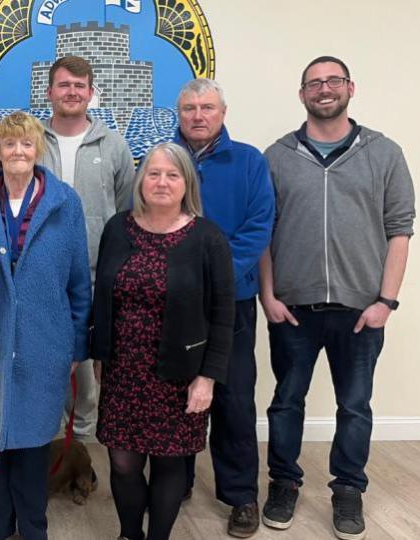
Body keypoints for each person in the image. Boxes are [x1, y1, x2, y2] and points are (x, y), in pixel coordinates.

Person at [259, 56, 415, 540]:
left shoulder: (383, 153)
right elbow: (263, 232)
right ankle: (283, 483)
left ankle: (348, 491)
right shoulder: (277, 156)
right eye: (314, 83)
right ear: (302, 94)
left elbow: (400, 231)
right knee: (286, 403)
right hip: (293, 308)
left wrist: (385, 302)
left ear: (350, 88)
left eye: (333, 81)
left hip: (360, 312)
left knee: (355, 406)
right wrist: (268, 296)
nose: (324, 89)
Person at [0, 111, 91, 540]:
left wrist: (76, 347)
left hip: (45, 345)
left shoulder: (65, 202)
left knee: (31, 449)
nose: (18, 152)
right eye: (9, 145)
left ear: (37, 148)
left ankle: (33, 529)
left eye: (26, 144)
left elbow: (80, 282)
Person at [92, 142, 235, 540]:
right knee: (122, 461)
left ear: (186, 183)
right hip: (124, 370)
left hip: (180, 374)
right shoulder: (117, 229)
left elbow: (224, 315)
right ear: (140, 181)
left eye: (172, 175)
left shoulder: (207, 238)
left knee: (170, 463)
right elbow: (101, 295)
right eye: (153, 173)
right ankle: (129, 534)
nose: (161, 182)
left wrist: (207, 378)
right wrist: (98, 353)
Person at [171, 78, 274, 538]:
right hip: (174, 303)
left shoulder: (249, 161)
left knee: (232, 400)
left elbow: (258, 226)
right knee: (176, 396)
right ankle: (177, 483)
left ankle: (241, 496)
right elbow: (146, 215)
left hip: (232, 301)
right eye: (190, 107)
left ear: (223, 112)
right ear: (179, 113)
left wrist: (214, 277)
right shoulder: (162, 159)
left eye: (207, 107)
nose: (198, 115)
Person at [38, 55, 135, 444]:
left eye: (80, 86)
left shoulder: (114, 145)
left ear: (91, 93)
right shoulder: (32, 140)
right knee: (49, 365)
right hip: (42, 277)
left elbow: (127, 211)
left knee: (85, 370)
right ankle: (52, 443)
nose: (72, 92)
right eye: (64, 85)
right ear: (50, 92)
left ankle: (81, 447)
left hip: (95, 275)